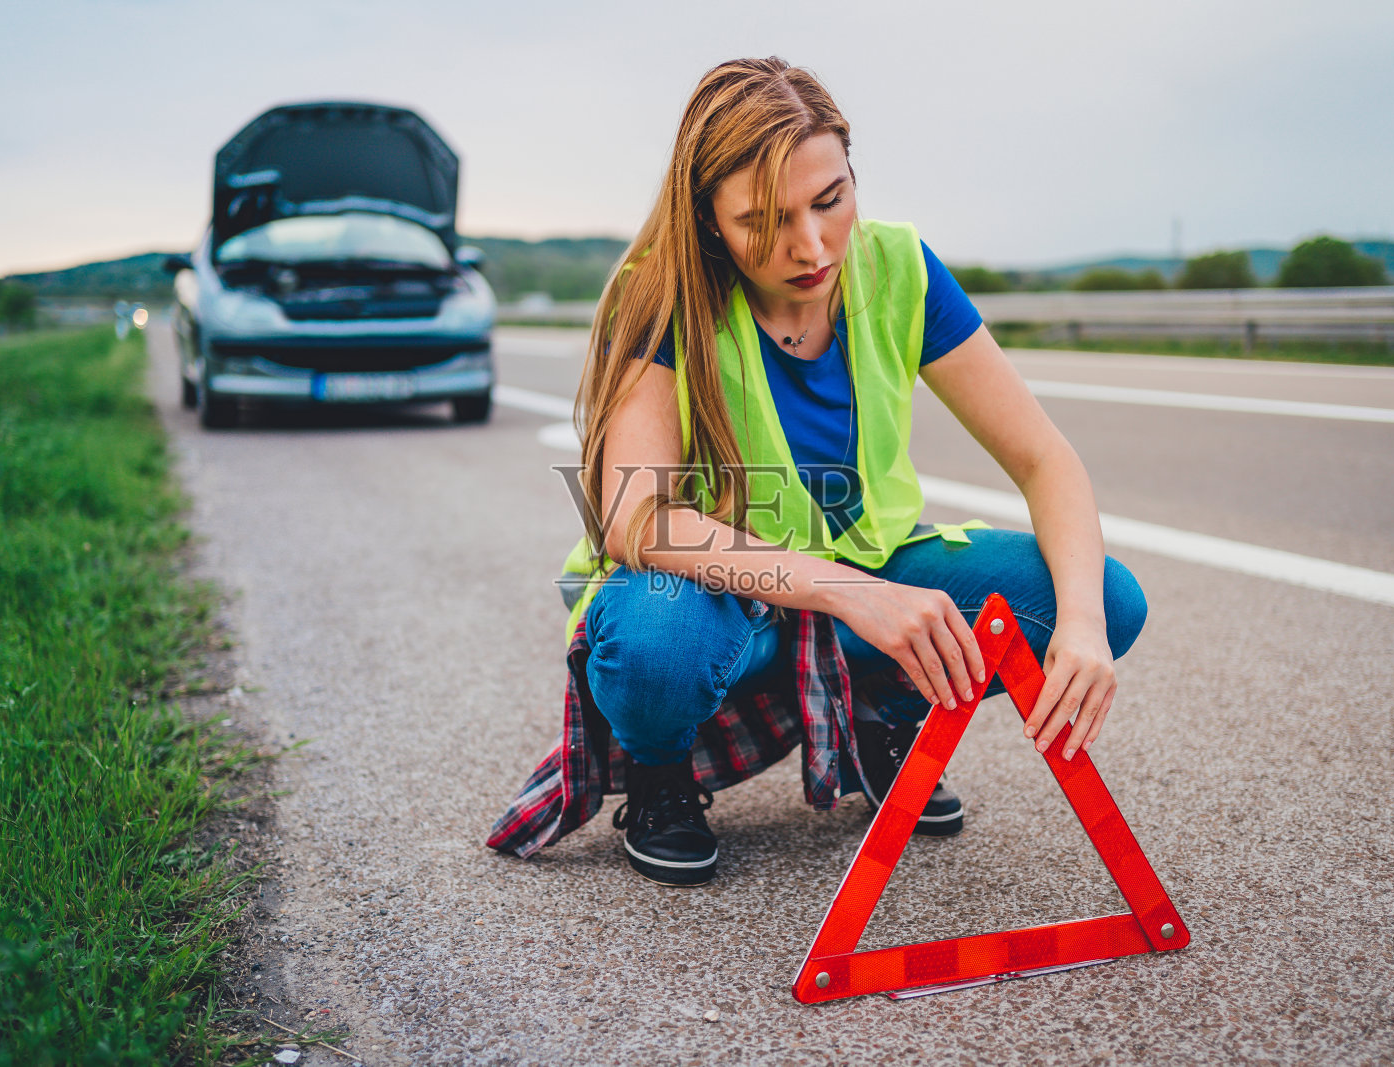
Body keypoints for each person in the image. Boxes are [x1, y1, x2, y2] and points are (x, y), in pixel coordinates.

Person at [490, 57, 1146, 886]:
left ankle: (882, 709)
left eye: (830, 201)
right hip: (719, 594)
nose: (810, 246)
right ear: (710, 223)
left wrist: (1082, 626)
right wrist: (844, 591)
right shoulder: (658, 293)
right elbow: (638, 517)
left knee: (1105, 595)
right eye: (765, 221)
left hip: (860, 573)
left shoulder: (901, 266)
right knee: (658, 642)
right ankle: (659, 771)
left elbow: (1045, 459)